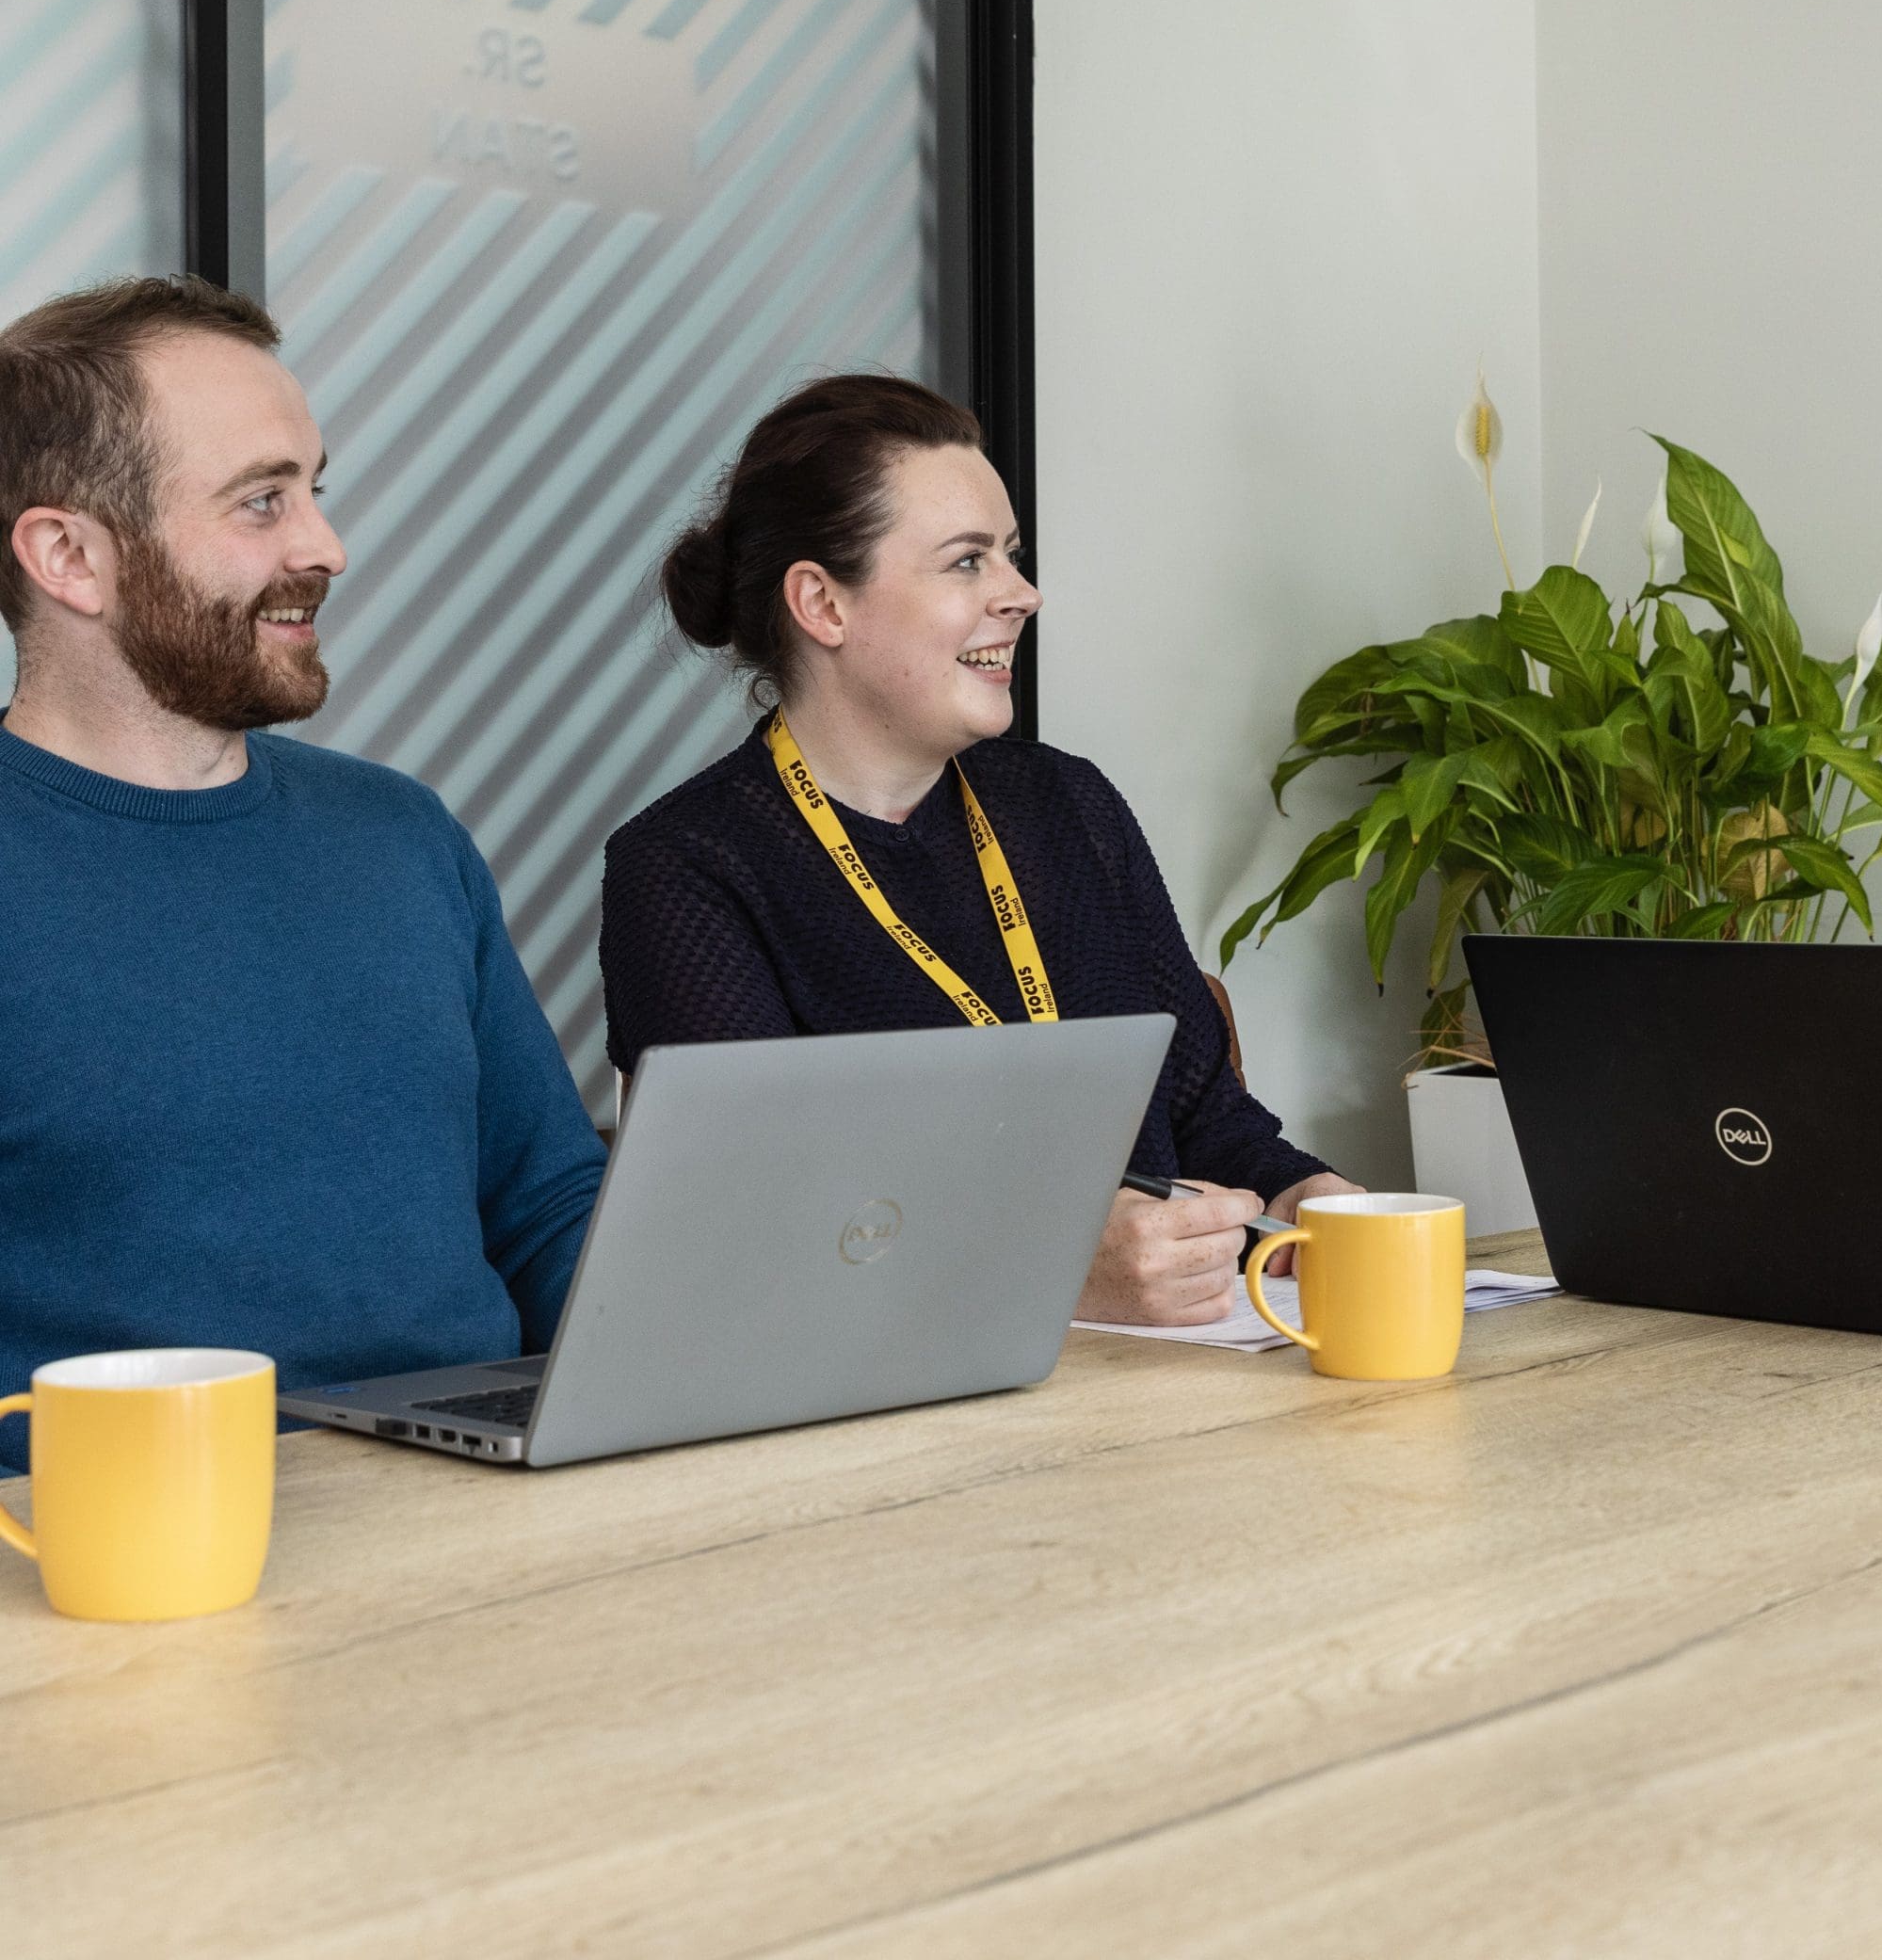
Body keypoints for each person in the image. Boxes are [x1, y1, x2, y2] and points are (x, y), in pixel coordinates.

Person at [600, 376, 1359, 1326]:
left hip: (1166, 1390)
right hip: (895, 1425)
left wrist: (1304, 1195)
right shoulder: (687, 867)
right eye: (966, 562)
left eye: (1011, 555)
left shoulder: (1065, 805)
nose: (1022, 594)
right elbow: (757, 1234)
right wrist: (1061, 1270)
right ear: (822, 605)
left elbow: (1202, 1111)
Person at [0, 276, 603, 1469]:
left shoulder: (402, 834)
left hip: (491, 1507)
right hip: (137, 1551)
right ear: (69, 553)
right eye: (260, 502)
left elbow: (546, 1204)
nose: (324, 547)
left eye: (313, 493)